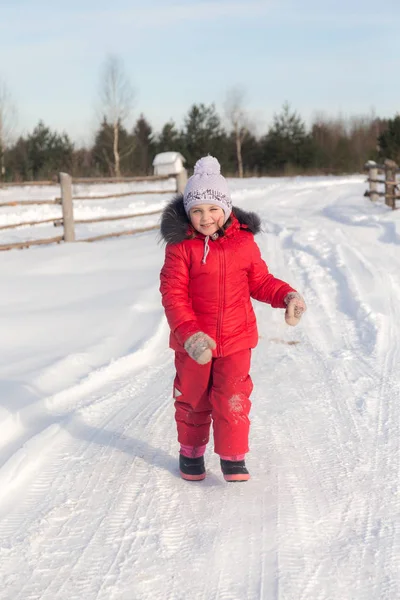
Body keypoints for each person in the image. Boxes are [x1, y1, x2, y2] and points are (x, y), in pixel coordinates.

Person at [159, 156, 306, 482]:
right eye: (196, 211)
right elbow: (173, 296)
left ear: (225, 208)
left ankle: (233, 457)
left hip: (237, 339)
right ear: (187, 213)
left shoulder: (243, 244)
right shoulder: (181, 248)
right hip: (195, 343)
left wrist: (287, 296)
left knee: (233, 397)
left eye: (212, 209)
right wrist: (190, 334)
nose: (205, 217)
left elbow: (261, 281)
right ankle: (191, 453)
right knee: (193, 399)